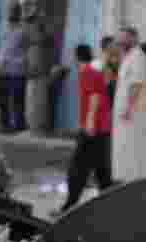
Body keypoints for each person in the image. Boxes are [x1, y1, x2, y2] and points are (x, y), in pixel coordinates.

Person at [58, 44, 114, 214]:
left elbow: (95, 96)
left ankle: (70, 205)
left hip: (94, 127)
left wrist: (89, 122)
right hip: (101, 127)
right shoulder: (93, 70)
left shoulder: (87, 71)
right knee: (101, 169)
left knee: (78, 166)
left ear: (76, 57)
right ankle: (109, 204)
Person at [112, 27, 146, 182]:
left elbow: (136, 85)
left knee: (133, 148)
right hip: (128, 112)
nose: (119, 41)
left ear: (133, 39)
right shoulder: (129, 57)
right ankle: (128, 178)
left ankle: (135, 179)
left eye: (123, 38)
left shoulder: (137, 57)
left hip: (134, 113)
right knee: (126, 148)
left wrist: (128, 108)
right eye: (119, 38)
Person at [0, 3, 27, 132]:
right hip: (2, 70)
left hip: (17, 70)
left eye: (13, 11)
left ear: (19, 13)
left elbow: (27, 49)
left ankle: (18, 125)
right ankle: (4, 124)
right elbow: (0, 49)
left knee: (17, 99)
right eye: (9, 11)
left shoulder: (23, 30)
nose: (10, 14)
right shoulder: (3, 29)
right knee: (2, 100)